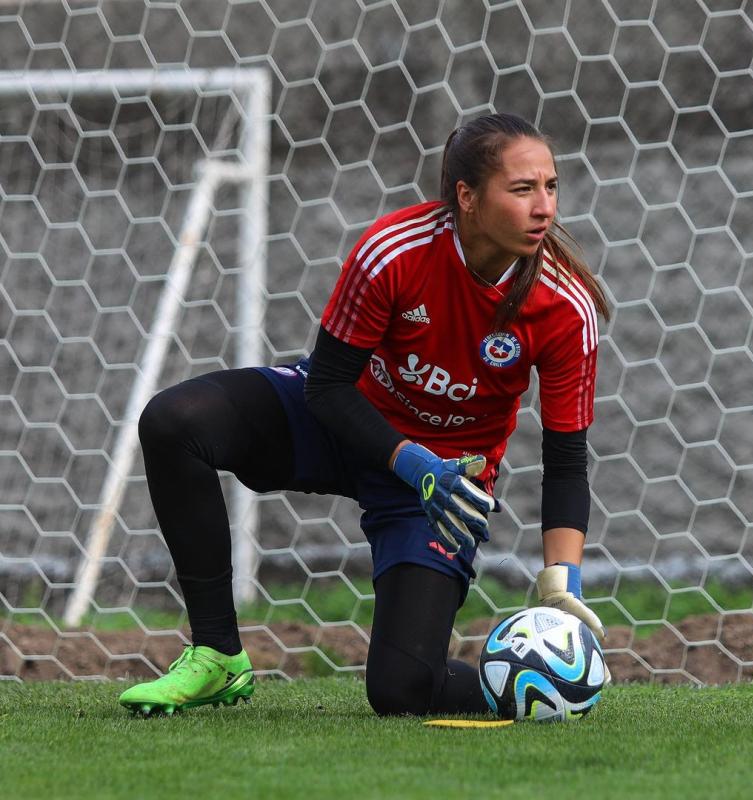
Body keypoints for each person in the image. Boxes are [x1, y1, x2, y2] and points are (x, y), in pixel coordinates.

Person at [118, 112, 610, 717]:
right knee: (176, 421)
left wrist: (563, 577)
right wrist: (412, 460)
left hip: (442, 489)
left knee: (402, 691)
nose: (545, 207)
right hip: (342, 424)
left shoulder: (565, 306)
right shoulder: (394, 251)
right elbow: (326, 387)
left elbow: (565, 459)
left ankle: (535, 685)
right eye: (523, 189)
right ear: (467, 197)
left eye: (551, 186)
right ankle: (218, 657)